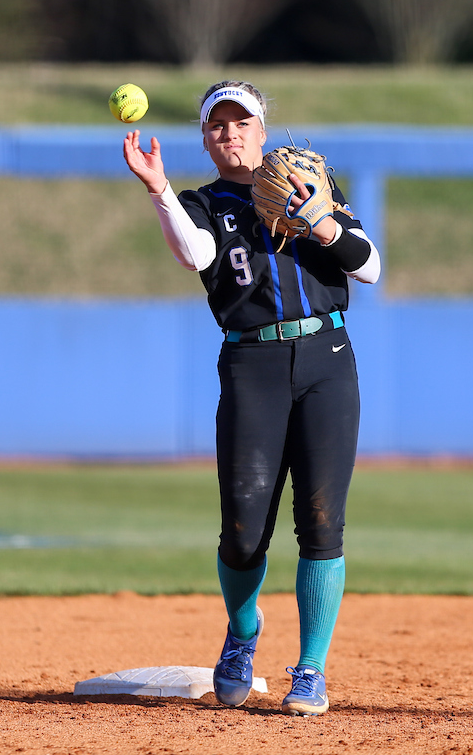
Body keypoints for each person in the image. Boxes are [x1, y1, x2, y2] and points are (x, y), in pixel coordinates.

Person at [121, 80, 380, 717]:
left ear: (262, 131)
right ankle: (243, 632)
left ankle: (311, 668)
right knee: (242, 531)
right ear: (206, 140)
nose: (231, 133)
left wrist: (319, 220)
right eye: (218, 125)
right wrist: (158, 190)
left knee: (321, 521)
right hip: (251, 363)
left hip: (327, 359)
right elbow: (195, 255)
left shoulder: (310, 183)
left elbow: (369, 266)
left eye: (242, 123)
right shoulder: (203, 204)